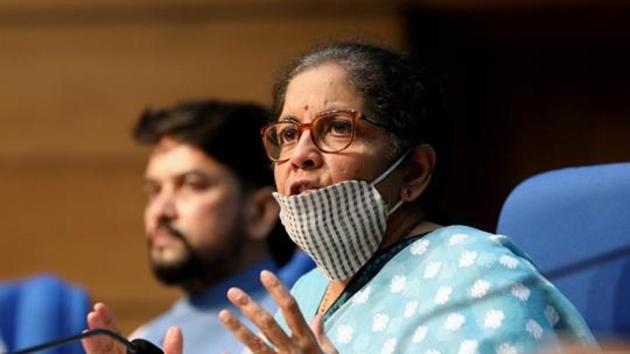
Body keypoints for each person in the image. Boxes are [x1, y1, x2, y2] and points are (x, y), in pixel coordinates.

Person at [207, 42, 598, 353]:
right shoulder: (306, 293)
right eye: (289, 134)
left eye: (338, 127)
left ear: (413, 171)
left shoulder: (478, 272)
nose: (300, 155)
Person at [81, 100, 296, 354]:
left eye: (191, 185)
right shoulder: (143, 339)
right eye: (154, 191)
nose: (160, 211)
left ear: (260, 212)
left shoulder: (302, 326)